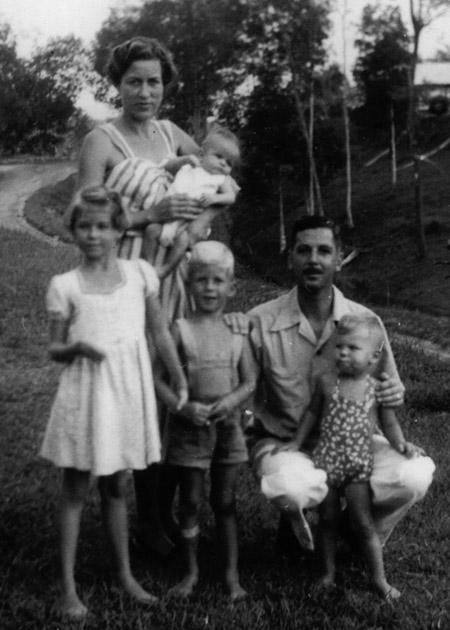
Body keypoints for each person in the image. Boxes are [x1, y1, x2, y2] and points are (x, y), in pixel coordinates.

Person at [74, 36, 210, 557]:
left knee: (177, 397)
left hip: (174, 277)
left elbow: (218, 181)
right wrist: (151, 216)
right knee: (141, 399)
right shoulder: (101, 141)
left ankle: (169, 514)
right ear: (118, 84)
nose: (145, 91)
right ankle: (148, 524)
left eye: (154, 81)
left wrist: (198, 227)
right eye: (134, 81)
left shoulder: (172, 134)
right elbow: (84, 221)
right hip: (123, 279)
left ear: (165, 85)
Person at [247, 215, 435, 556]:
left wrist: (396, 396)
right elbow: (237, 392)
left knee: (415, 474)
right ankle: (297, 518)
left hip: (354, 446)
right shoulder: (259, 321)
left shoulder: (365, 323)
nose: (314, 260)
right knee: (291, 487)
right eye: (304, 251)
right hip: (288, 444)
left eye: (324, 251)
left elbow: (387, 390)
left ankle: (351, 533)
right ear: (290, 258)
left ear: (339, 258)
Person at [40, 187, 188, 620]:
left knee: (116, 484)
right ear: (72, 230)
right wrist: (77, 348)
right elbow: (53, 349)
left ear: (118, 228)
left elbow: (159, 333)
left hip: (125, 392)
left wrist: (178, 377)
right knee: (75, 487)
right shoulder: (65, 285)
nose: (93, 235)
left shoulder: (141, 273)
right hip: (86, 394)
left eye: (102, 226)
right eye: (84, 226)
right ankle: (67, 587)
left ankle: (124, 574)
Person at [292, 313, 423, 600]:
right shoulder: (327, 382)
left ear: (374, 356)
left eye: (353, 348)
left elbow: (389, 425)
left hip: (357, 468)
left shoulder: (375, 389)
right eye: (340, 346)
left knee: (362, 523)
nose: (343, 352)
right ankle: (326, 574)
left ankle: (379, 580)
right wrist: (296, 443)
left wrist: (402, 446)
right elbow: (311, 415)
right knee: (327, 520)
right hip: (327, 462)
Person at [154, 241, 256, 600]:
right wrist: (182, 408)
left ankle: (231, 577)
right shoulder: (179, 329)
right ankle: (191, 572)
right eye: (201, 280)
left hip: (227, 428)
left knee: (225, 501)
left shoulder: (236, 330)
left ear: (231, 286)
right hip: (189, 427)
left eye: (218, 281)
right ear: (187, 281)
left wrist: (230, 401)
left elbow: (249, 381)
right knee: (191, 501)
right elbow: (159, 379)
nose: (210, 288)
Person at [143, 127, 241, 279]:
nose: (223, 164)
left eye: (229, 163)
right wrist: (184, 159)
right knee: (150, 231)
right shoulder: (189, 167)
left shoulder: (220, 179)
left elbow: (230, 196)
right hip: (168, 218)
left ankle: (165, 270)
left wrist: (215, 198)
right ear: (202, 154)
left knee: (182, 241)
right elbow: (167, 167)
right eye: (219, 157)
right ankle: (148, 266)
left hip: (187, 225)